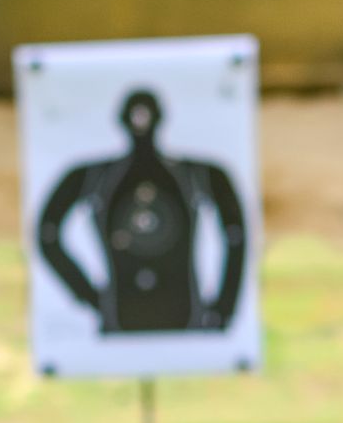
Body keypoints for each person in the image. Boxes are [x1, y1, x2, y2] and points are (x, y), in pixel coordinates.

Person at [36, 88, 247, 334]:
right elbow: (48, 235)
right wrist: (89, 296)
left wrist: (225, 305)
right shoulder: (98, 176)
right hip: (128, 313)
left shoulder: (194, 174)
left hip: (175, 311)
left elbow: (235, 235)